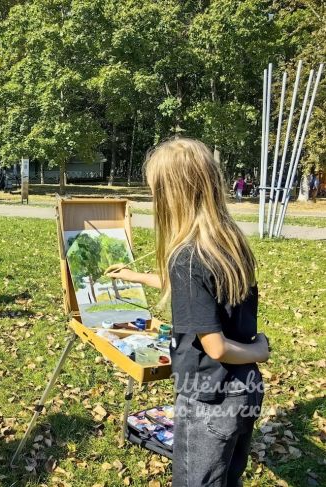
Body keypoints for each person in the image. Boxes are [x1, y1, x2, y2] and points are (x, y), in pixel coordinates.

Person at [108, 138, 270, 487]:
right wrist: (132, 275)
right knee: (228, 478)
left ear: (172, 195)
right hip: (245, 390)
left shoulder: (187, 258)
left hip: (209, 398)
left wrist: (260, 350)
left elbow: (216, 347)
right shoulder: (227, 242)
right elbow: (199, 293)